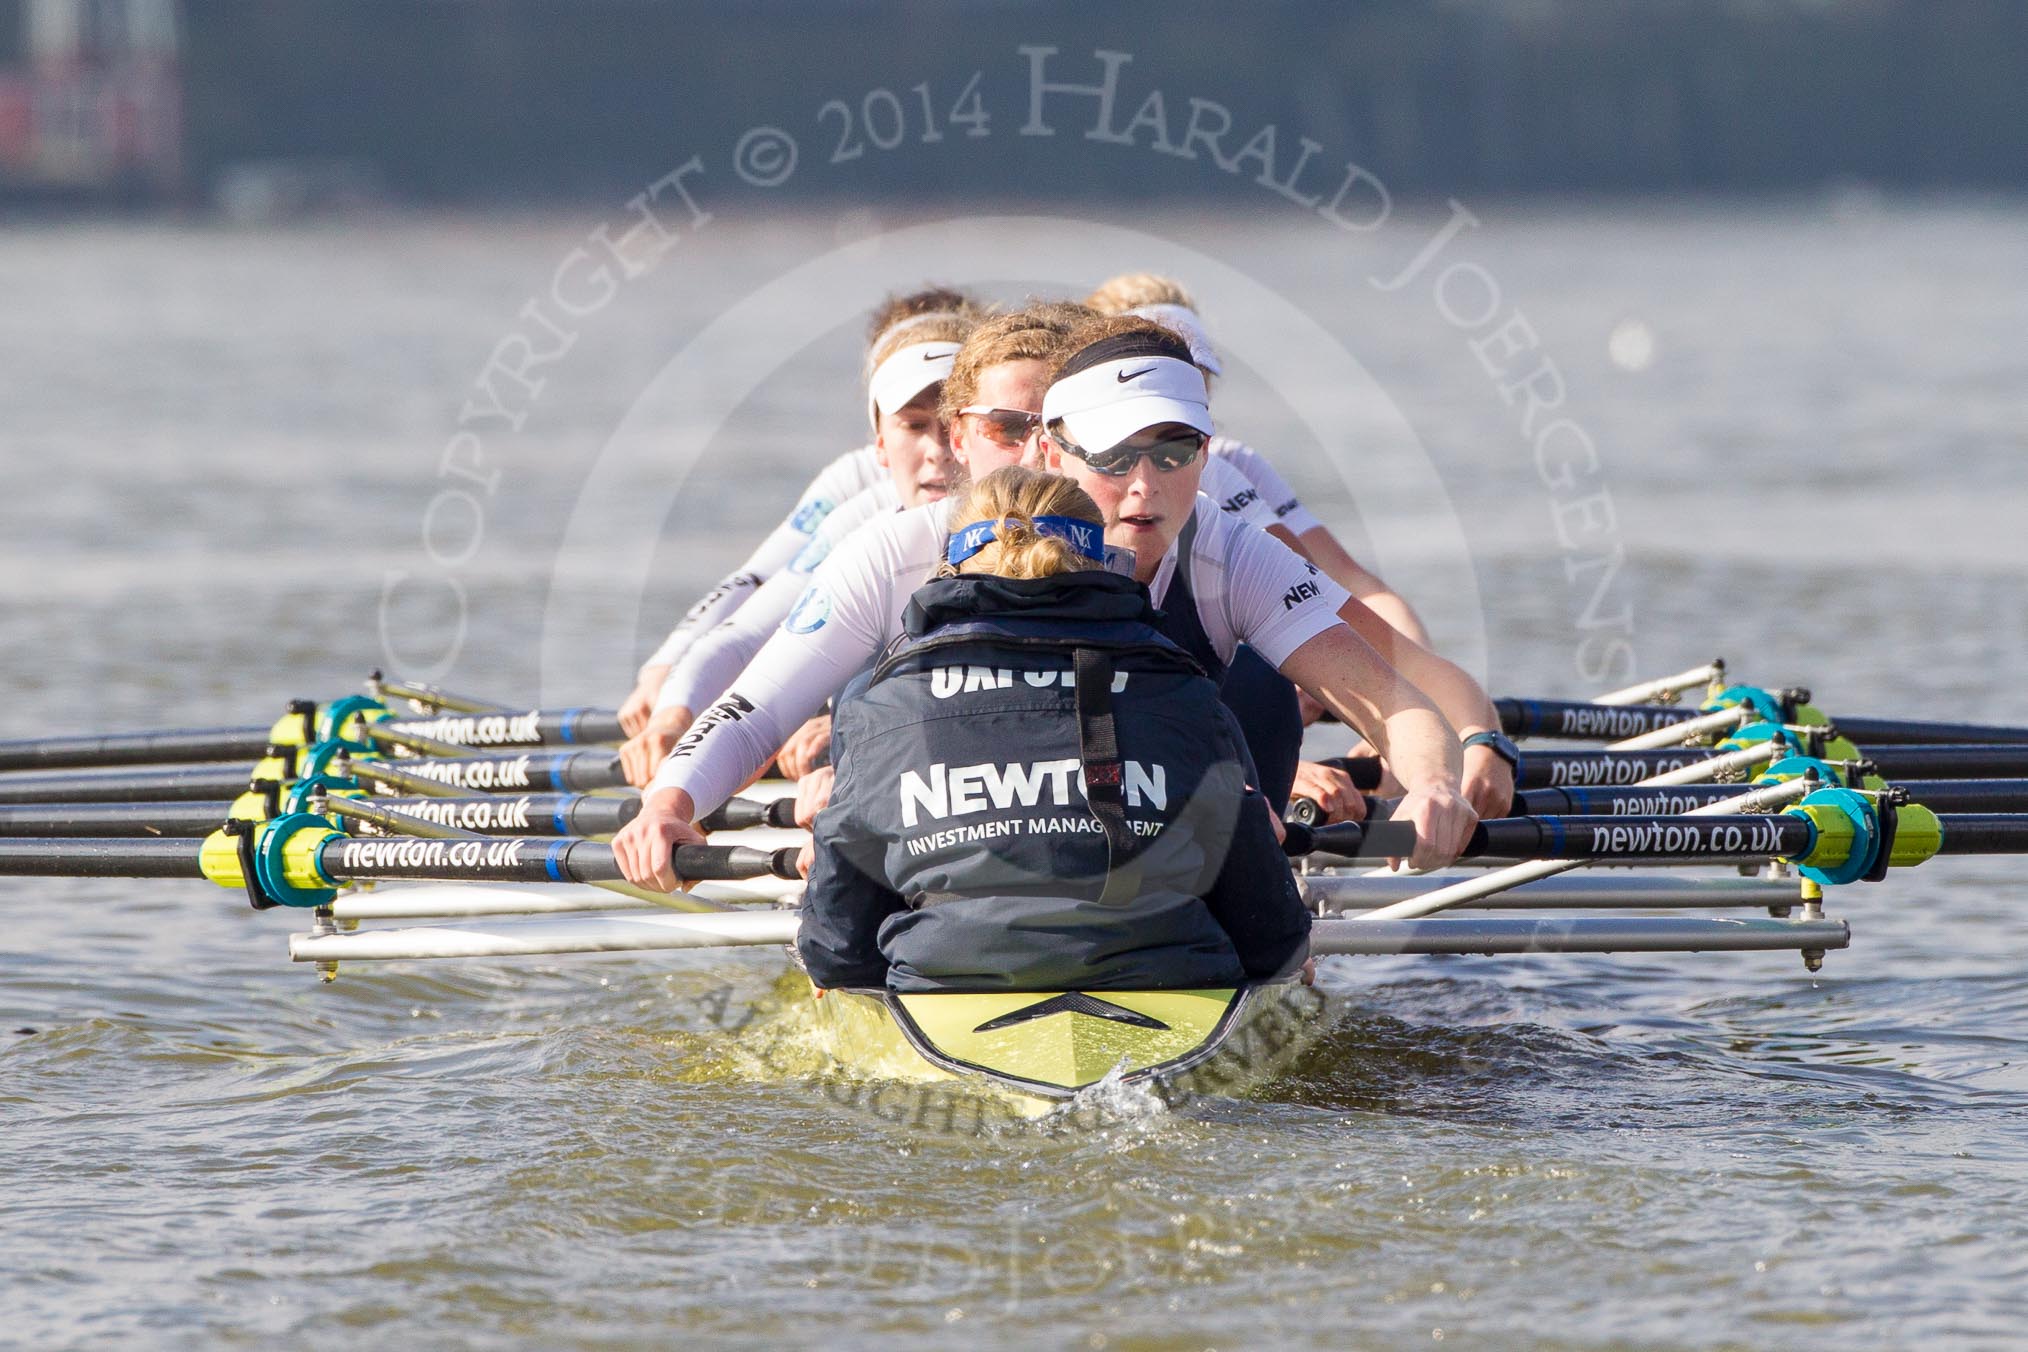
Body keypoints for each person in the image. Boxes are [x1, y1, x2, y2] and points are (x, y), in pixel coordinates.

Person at [612, 316, 1484, 892]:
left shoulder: (1224, 546)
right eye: (1111, 459)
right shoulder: (897, 552)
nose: (1143, 489)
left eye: (1172, 454)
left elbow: (1392, 698)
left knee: (1257, 693)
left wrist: (1436, 779)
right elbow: (756, 709)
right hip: (965, 847)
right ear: (1052, 455)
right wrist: (672, 804)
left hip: (1178, 848)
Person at [795, 466, 1311, 992]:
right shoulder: (1183, 687)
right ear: (1102, 563)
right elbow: (1270, 937)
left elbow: (837, 951)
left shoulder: (881, 703)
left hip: (947, 979)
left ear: (949, 569)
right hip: (1164, 977)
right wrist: (1288, 955)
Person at [616, 305, 975, 785]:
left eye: (951, 426)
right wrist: (673, 717)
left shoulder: (1046, 522)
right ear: (880, 443)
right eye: (913, 424)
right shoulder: (861, 521)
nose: (937, 450)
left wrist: (853, 729)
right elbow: (747, 625)